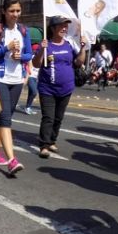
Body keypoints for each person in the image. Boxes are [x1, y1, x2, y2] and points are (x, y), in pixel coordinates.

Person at [0, 0, 31, 175]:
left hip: (17, 79)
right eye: (12, 11)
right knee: (5, 118)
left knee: (6, 117)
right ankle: (12, 160)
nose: (15, 14)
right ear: (4, 11)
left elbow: (29, 55)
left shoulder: (23, 30)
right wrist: (6, 48)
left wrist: (22, 57)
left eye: (18, 10)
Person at [32, 16, 87, 159]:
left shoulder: (68, 45)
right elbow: (36, 64)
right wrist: (40, 51)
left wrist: (83, 48)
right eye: (61, 26)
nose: (64, 28)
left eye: (66, 26)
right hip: (47, 88)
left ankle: (52, 141)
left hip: (66, 88)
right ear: (53, 28)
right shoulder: (46, 45)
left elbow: (79, 62)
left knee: (58, 118)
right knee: (48, 117)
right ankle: (44, 145)